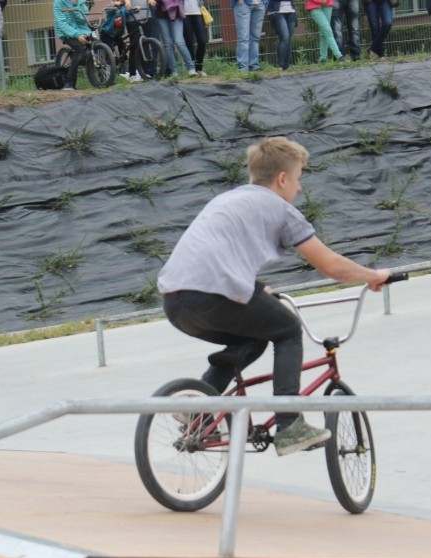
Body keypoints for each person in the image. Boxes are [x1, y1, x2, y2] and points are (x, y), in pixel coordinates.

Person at [157, 137, 392, 457]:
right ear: (282, 178)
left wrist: (256, 287)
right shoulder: (281, 210)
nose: (299, 189)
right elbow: (331, 266)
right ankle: (289, 424)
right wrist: (373, 275)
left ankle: (200, 405)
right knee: (287, 329)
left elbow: (218, 252)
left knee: (253, 337)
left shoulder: (228, 199)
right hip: (213, 293)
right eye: (298, 179)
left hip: (175, 300)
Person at [54, 0, 93, 90]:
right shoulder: (58, 3)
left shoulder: (80, 1)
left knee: (98, 45)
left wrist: (77, 5)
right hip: (67, 33)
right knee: (79, 49)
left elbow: (83, 18)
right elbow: (62, 23)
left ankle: (107, 79)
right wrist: (77, 35)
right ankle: (69, 82)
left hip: (83, 31)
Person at [155, 0, 198, 76]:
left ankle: (191, 68)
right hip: (161, 14)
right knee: (168, 44)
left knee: (179, 41)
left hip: (176, 13)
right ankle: (174, 72)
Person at [100, 0, 134, 80]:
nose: (117, 1)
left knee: (123, 49)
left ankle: (124, 69)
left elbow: (129, 11)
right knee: (109, 51)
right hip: (107, 33)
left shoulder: (122, 8)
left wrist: (136, 9)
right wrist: (114, 4)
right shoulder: (111, 7)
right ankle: (107, 73)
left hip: (117, 34)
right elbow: (109, 9)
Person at [233, 0, 266, 72]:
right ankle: (243, 68)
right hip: (243, 4)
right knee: (243, 38)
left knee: (255, 38)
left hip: (260, 4)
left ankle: (254, 66)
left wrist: (265, 2)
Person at [266, 0, 297, 72]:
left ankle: (287, 66)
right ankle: (280, 65)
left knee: (289, 39)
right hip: (277, 12)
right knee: (284, 38)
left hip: (291, 11)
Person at [182, 0, 209, 76]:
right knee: (189, 42)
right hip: (184, 13)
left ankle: (199, 68)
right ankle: (192, 69)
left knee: (202, 41)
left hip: (198, 12)